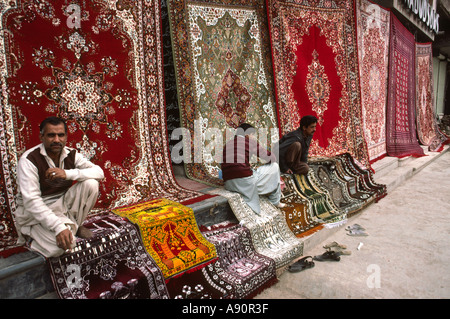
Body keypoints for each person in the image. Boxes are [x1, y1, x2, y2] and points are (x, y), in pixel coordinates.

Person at [14, 116, 104, 257]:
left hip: (61, 204)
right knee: (60, 247)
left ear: (66, 137)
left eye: (60, 135)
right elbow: (32, 201)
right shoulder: (29, 160)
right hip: (35, 213)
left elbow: (99, 172)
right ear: (41, 137)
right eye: (51, 135)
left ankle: (74, 226)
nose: (56, 140)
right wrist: (58, 227)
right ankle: (31, 238)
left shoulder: (71, 154)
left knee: (91, 183)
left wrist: (66, 174)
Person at [221, 123, 285, 215]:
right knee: (274, 166)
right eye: (252, 135)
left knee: (253, 171)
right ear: (247, 134)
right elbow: (271, 158)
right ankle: (275, 201)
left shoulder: (228, 144)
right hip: (245, 183)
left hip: (229, 184)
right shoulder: (249, 142)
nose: (253, 138)